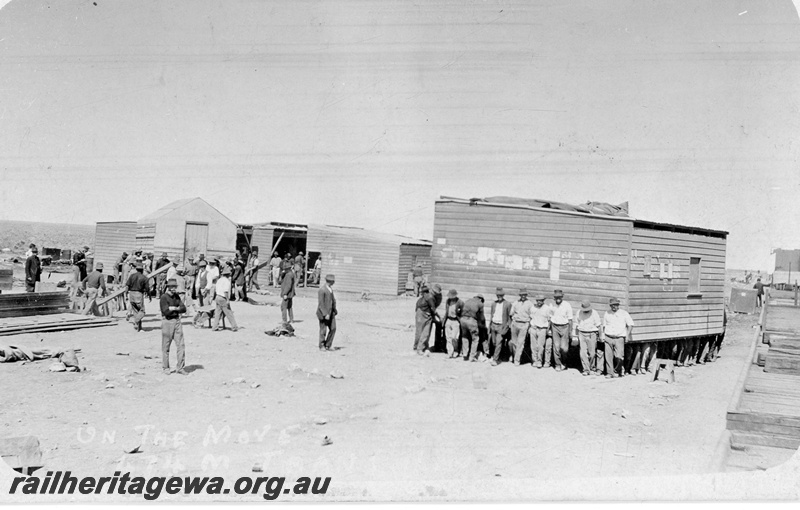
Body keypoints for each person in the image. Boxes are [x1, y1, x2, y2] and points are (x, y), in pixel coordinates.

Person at [600, 297, 634, 378]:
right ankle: (609, 372)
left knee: (619, 356)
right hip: (608, 337)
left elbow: (630, 324)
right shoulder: (607, 313)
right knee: (608, 356)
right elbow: (604, 325)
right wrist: (602, 335)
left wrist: (627, 335)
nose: (614, 307)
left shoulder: (624, 313)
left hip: (619, 338)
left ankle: (617, 370)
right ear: (610, 306)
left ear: (618, 305)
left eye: (615, 305)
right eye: (612, 305)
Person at [160, 278, 187, 375]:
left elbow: (184, 308)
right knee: (166, 346)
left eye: (175, 287)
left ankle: (180, 367)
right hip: (167, 322)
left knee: (181, 345)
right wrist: (176, 309)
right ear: (168, 287)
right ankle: (165, 367)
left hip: (177, 321)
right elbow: (166, 311)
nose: (173, 289)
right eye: (171, 287)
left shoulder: (177, 296)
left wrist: (174, 308)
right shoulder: (164, 297)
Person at [573, 300, 602, 376]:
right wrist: (575, 336)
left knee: (592, 353)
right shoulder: (579, 312)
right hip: (582, 333)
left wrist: (600, 335)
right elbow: (576, 324)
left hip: (592, 333)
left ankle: (592, 368)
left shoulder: (594, 313)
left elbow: (598, 325)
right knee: (583, 353)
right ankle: (586, 369)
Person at [413, 284, 441, 355]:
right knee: (425, 332)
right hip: (424, 314)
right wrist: (438, 316)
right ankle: (420, 348)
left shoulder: (425, 296)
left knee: (419, 331)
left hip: (420, 313)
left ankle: (417, 347)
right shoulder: (430, 297)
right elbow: (433, 308)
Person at [550, 289, 573, 371]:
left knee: (564, 348)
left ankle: (564, 362)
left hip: (565, 327)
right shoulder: (552, 305)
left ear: (562, 297)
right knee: (556, 346)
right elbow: (550, 317)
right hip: (555, 326)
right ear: (554, 298)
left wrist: (570, 331)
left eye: (559, 297)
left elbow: (570, 319)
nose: (558, 299)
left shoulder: (567, 305)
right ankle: (558, 364)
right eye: (556, 297)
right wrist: (550, 328)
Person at [488, 287, 512, 366]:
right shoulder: (494, 304)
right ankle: (498, 356)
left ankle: (495, 359)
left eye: (501, 295)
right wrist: (490, 326)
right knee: (494, 343)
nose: (499, 297)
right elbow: (492, 315)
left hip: (501, 326)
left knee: (499, 343)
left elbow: (509, 317)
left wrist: (507, 326)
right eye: (498, 295)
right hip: (494, 325)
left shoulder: (507, 304)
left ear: (503, 295)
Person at [509, 288, 533, 366]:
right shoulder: (516, 303)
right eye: (522, 295)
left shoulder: (530, 304)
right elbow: (511, 314)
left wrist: (528, 325)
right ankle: (514, 356)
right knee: (514, 342)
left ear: (526, 295)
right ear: (520, 295)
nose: (523, 296)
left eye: (524, 295)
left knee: (520, 343)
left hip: (524, 324)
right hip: (515, 323)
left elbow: (532, 316)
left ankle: (517, 360)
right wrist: (511, 323)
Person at [212, 266, 239, 332]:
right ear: (228, 274)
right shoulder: (227, 281)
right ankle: (234, 326)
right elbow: (225, 291)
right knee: (229, 313)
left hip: (217, 296)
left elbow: (216, 289)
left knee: (218, 313)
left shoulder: (219, 280)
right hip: (223, 297)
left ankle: (215, 326)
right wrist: (227, 300)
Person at [460, 294, 486, 361]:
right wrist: (482, 325)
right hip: (471, 320)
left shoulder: (468, 300)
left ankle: (465, 355)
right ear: (481, 299)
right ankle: (472, 357)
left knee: (464, 337)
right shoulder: (480, 303)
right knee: (475, 339)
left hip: (462, 320)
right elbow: (482, 317)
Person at [530, 294, 553, 368]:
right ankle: (534, 360)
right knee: (533, 346)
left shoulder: (547, 308)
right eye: (538, 300)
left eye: (541, 300)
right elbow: (531, 317)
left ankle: (539, 361)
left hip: (542, 328)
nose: (539, 302)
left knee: (540, 346)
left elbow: (549, 320)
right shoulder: (533, 307)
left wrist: (547, 329)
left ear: (543, 301)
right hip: (533, 328)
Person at [317, 274, 338, 351]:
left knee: (333, 328)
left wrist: (334, 309)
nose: (334, 282)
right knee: (323, 330)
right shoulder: (322, 290)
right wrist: (325, 314)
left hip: (331, 312)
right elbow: (321, 304)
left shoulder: (330, 289)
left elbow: (332, 300)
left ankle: (328, 344)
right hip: (324, 314)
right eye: (333, 281)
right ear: (330, 281)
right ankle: (321, 345)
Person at [126, 262, 148, 332]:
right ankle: (136, 321)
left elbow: (127, 286)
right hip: (139, 294)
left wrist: (126, 295)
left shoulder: (132, 276)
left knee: (136, 311)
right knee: (142, 311)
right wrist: (149, 295)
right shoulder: (144, 277)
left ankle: (139, 328)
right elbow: (147, 289)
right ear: (142, 270)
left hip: (131, 294)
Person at [443, 289, 464, 358]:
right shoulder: (448, 301)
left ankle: (456, 350)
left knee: (454, 337)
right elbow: (446, 311)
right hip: (449, 319)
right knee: (448, 337)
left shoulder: (460, 302)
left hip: (456, 320)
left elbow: (462, 312)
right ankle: (450, 353)